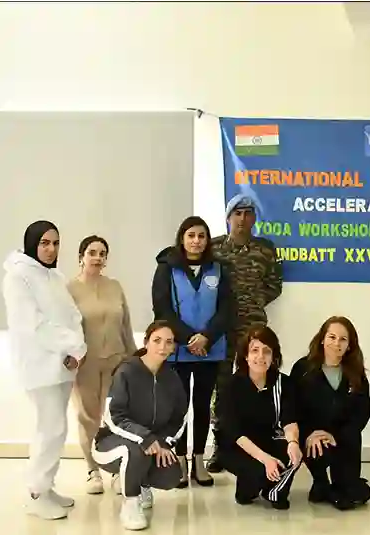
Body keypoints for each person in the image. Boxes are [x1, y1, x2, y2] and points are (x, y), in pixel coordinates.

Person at [2, 221, 87, 520]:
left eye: (55, 243)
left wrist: (77, 348)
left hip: (63, 364)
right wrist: (74, 345)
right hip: (40, 367)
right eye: (44, 243)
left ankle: (47, 487)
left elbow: (71, 314)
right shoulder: (18, 277)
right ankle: (37, 493)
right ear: (32, 244)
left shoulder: (54, 275)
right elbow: (33, 325)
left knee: (57, 429)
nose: (51, 249)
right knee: (48, 430)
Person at [152, 216, 233, 488]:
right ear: (182, 238)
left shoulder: (220, 269)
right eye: (191, 235)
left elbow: (227, 309)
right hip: (179, 350)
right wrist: (189, 338)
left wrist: (207, 338)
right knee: (179, 408)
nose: (196, 241)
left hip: (210, 349)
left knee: (202, 405)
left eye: (201, 235)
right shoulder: (166, 268)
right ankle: (180, 460)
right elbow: (162, 309)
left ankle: (199, 459)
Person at [207, 193, 283, 473]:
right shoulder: (213, 248)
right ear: (228, 218)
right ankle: (220, 447)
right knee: (223, 388)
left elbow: (275, 285)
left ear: (254, 218)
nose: (242, 219)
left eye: (248, 213)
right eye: (237, 213)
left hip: (252, 332)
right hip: (221, 332)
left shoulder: (265, 249)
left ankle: (256, 445)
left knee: (255, 387)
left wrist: (252, 301)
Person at [92, 320, 188, 531]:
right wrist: (144, 436)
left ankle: (139, 482)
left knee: (171, 474)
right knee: (134, 449)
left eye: (169, 342)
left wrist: (163, 442)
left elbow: (180, 418)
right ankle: (131, 503)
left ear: (173, 347)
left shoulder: (172, 378)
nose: (162, 346)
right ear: (146, 342)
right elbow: (113, 416)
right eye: (157, 340)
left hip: (151, 443)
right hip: (110, 443)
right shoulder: (126, 371)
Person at [67, 235, 137, 495]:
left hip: (117, 361)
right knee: (88, 418)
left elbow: (126, 323)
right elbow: (64, 328)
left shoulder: (115, 286)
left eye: (102, 253)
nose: (98, 257)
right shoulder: (69, 289)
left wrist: (133, 356)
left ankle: (117, 470)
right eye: (92, 252)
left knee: (115, 419)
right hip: (84, 364)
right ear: (81, 256)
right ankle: (92, 470)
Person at [290, 316, 370, 510]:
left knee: (354, 494)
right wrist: (310, 432)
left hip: (344, 439)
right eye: (332, 337)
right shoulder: (303, 368)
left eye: (343, 339)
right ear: (322, 339)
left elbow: (363, 411)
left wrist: (337, 435)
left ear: (350, 345)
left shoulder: (355, 372)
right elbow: (293, 408)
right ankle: (321, 481)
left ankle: (332, 489)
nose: (337, 343)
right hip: (313, 438)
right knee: (319, 450)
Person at [218, 326, 302, 509]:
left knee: (292, 453)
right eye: (254, 350)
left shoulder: (284, 383)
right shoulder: (231, 385)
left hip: (268, 439)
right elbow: (234, 432)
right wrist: (266, 459)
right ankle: (250, 485)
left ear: (274, 357)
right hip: (238, 446)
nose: (260, 356)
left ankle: (273, 491)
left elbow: (289, 419)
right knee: (255, 477)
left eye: (267, 351)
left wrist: (293, 443)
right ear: (246, 356)